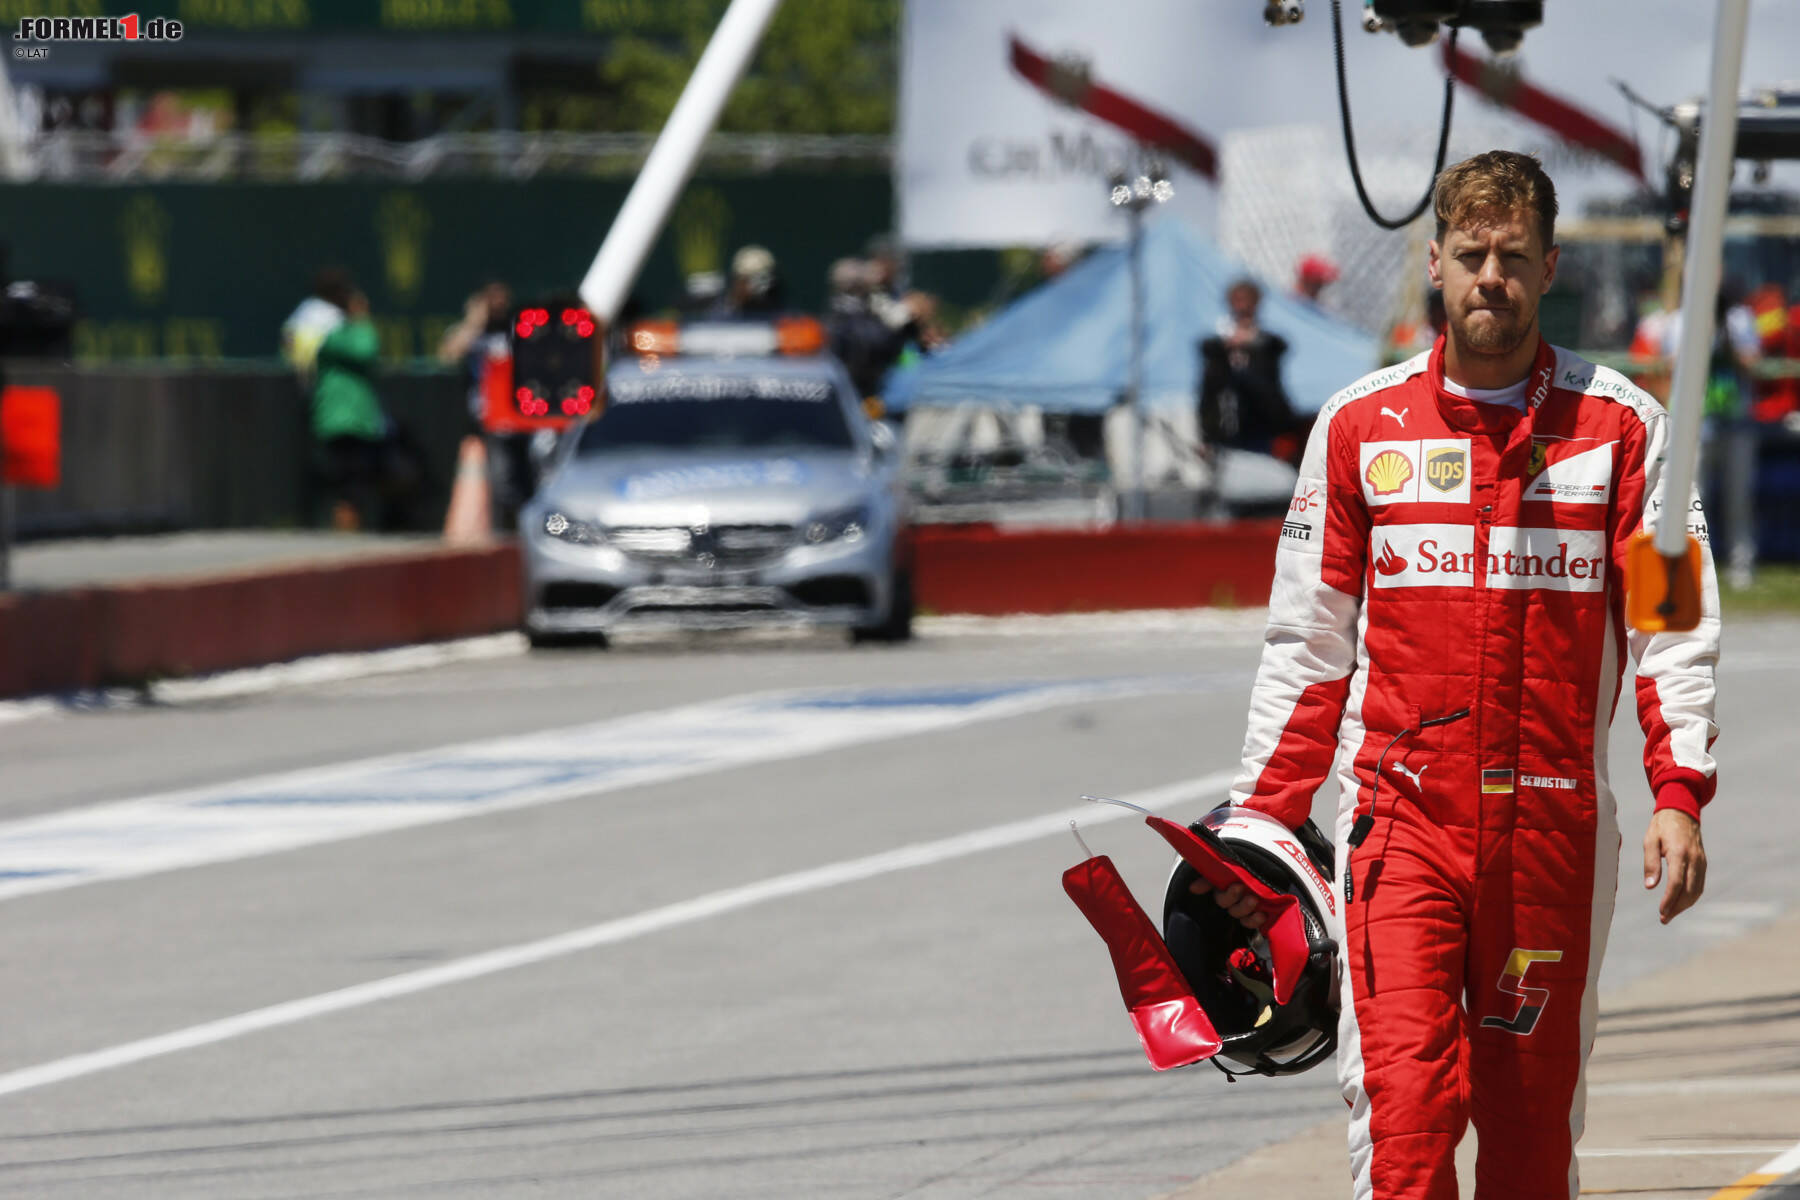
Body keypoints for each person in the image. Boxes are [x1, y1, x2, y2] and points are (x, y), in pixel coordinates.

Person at [1195, 151, 1718, 1199]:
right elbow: (1307, 645)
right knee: (1406, 1117)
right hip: (1400, 827)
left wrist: (1679, 791)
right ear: (1434, 262)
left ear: (1550, 267)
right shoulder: (1360, 425)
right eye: (1472, 255)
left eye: (1514, 258)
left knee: (1529, 1135)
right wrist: (1261, 827)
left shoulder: (1626, 428)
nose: (1492, 277)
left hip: (1553, 834)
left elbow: (1673, 627)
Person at [313, 287, 390, 530]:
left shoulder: (342, 333)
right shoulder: (337, 334)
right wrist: (362, 320)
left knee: (357, 471)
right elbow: (367, 349)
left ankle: (350, 519)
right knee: (346, 471)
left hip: (355, 416)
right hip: (342, 417)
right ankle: (344, 521)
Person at [1198, 277, 1298, 460]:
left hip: (1262, 431)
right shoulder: (1217, 347)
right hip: (1226, 430)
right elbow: (1209, 392)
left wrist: (1250, 346)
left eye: (1247, 301)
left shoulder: (1268, 346)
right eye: (1238, 301)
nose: (1242, 307)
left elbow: (1268, 387)